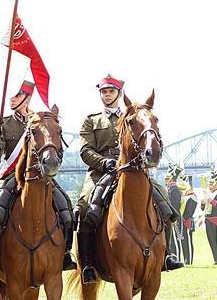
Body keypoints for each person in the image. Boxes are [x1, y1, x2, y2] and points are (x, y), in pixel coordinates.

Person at [76, 74, 183, 284]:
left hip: (132, 171)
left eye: (111, 92)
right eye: (104, 92)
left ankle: (165, 255)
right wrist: (103, 162)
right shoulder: (92, 120)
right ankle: (87, 264)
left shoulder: (134, 115)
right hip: (101, 173)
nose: (107, 95)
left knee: (164, 204)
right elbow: (85, 150)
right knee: (83, 208)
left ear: (118, 94)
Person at [0, 80, 76, 271]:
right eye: (11, 96)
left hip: (43, 176)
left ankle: (66, 253)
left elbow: (54, 144)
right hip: (14, 175)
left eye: (17, 95)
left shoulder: (42, 120)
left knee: (66, 209)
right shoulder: (5, 123)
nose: (12, 99)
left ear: (27, 98)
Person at [200, 168, 217, 265]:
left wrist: (211, 200)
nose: (209, 185)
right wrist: (202, 203)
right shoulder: (209, 194)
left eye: (211, 183)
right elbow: (204, 209)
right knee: (211, 240)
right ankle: (216, 260)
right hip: (208, 219)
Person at [165, 165, 183, 261]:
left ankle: (177, 258)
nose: (166, 180)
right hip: (170, 217)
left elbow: (174, 205)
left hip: (174, 217)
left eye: (167, 178)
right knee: (171, 239)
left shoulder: (175, 190)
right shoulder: (169, 189)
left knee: (177, 239)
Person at [180, 174, 198, 265]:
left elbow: (189, 212)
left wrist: (182, 218)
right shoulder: (185, 196)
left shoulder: (192, 197)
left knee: (188, 242)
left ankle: (189, 260)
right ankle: (186, 259)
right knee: (183, 241)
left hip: (187, 221)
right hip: (183, 221)